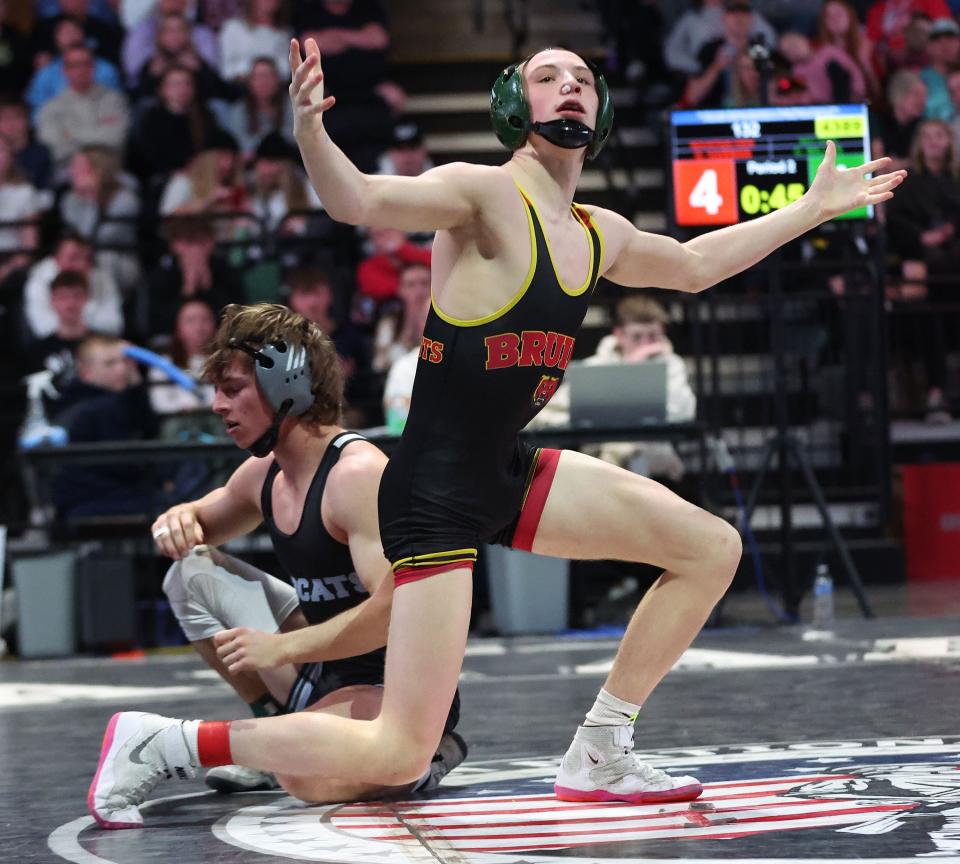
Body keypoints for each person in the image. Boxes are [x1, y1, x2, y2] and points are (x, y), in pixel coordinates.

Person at [88, 40, 905, 826]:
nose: (571, 86)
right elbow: (359, 201)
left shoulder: (596, 232)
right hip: (434, 492)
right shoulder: (481, 194)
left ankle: (603, 748)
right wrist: (309, 130)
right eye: (549, 76)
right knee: (402, 751)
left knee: (710, 548)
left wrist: (809, 208)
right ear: (517, 104)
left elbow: (693, 267)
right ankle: (169, 744)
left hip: (504, 470)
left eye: (583, 76)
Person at [109, 302, 464, 815]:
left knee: (303, 776)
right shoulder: (266, 475)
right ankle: (268, 738)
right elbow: (200, 522)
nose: (216, 406)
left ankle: (427, 754)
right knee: (191, 574)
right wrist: (179, 515)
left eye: (232, 389)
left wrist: (282, 648)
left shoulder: (355, 477)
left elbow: (398, 615)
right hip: (327, 671)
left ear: (286, 388)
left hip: (397, 686)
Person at [530, 295, 697, 483]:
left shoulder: (672, 365)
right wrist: (630, 367)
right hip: (600, 452)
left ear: (663, 333)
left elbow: (683, 412)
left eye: (653, 336)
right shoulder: (596, 366)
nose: (646, 345)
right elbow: (554, 410)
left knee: (628, 448)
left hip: (647, 457)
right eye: (637, 336)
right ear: (618, 334)